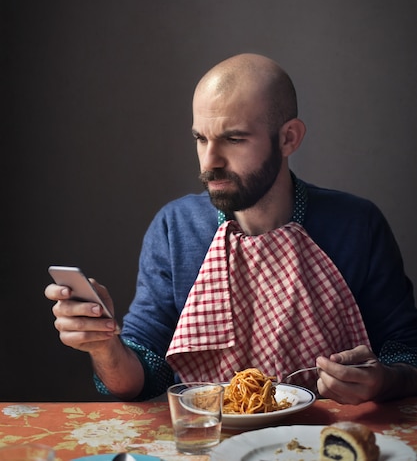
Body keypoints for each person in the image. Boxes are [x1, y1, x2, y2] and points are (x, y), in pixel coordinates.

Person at [45, 53, 417, 405]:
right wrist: (104, 346)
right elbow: (145, 375)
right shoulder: (175, 228)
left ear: (289, 138)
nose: (211, 162)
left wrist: (383, 380)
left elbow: (407, 351)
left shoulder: (357, 224)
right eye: (201, 139)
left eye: (234, 139)